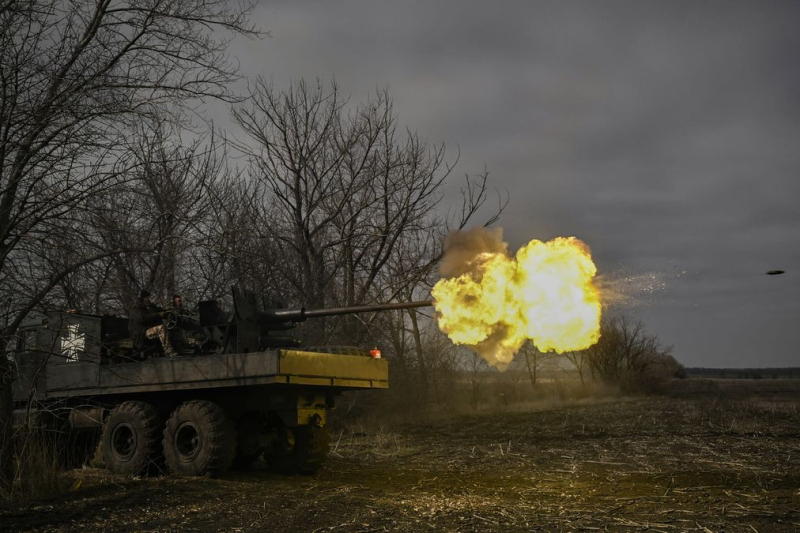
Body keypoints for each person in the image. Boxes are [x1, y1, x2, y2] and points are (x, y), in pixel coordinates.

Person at [128, 290, 176, 357]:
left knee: (170, 329)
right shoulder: (136, 309)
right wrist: (158, 315)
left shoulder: (151, 307)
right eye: (146, 298)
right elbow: (143, 319)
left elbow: (161, 311)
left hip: (149, 330)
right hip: (141, 334)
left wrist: (167, 314)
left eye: (148, 297)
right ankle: (169, 351)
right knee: (161, 328)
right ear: (142, 298)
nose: (148, 299)